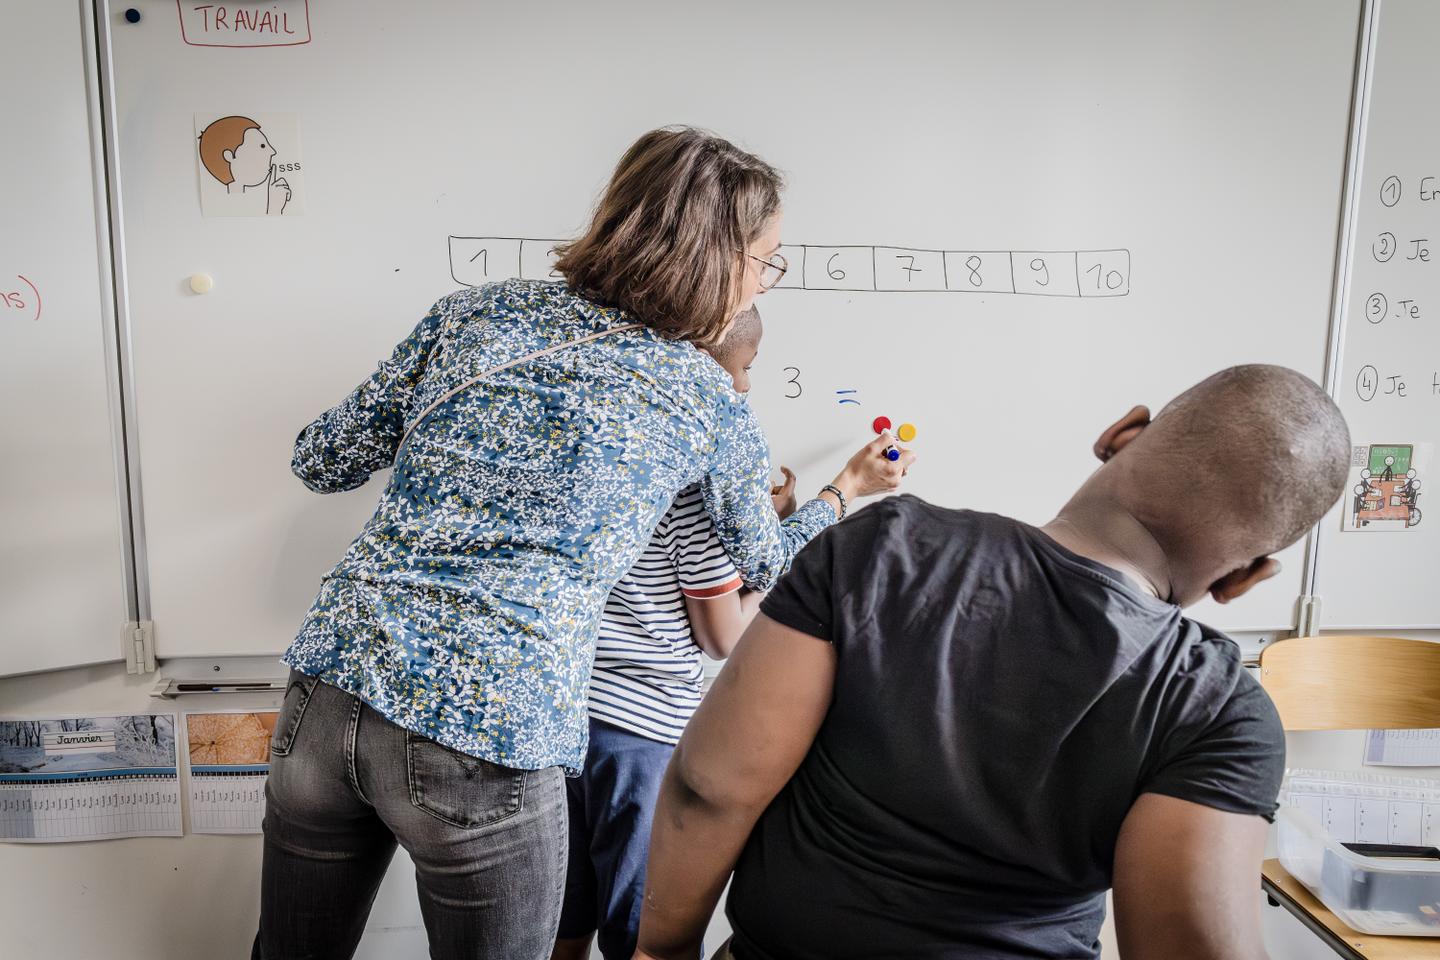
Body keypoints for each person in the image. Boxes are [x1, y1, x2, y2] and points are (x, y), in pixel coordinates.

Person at [253, 126, 913, 960]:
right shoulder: (704, 393)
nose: (763, 281)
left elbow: (321, 460)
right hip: (490, 717)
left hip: (331, 683)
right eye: (765, 261)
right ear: (717, 259)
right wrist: (839, 494)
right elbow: (770, 564)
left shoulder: (476, 311)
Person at [636, 364, 1350, 960]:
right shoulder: (1219, 710)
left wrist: (661, 952)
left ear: (1120, 436)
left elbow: (712, 787)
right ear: (1244, 577)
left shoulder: (882, 547)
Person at [553, 307, 772, 960]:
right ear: (704, 366)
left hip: (562, 718)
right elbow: (721, 637)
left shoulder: (585, 449)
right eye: (744, 367)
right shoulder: (696, 486)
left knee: (564, 918)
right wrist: (764, 576)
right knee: (641, 934)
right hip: (640, 735)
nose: (745, 386)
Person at [196, 115, 291, 214]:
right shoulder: (225, 208)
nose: (272, 151)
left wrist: (275, 207)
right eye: (262, 146)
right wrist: (275, 208)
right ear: (229, 156)